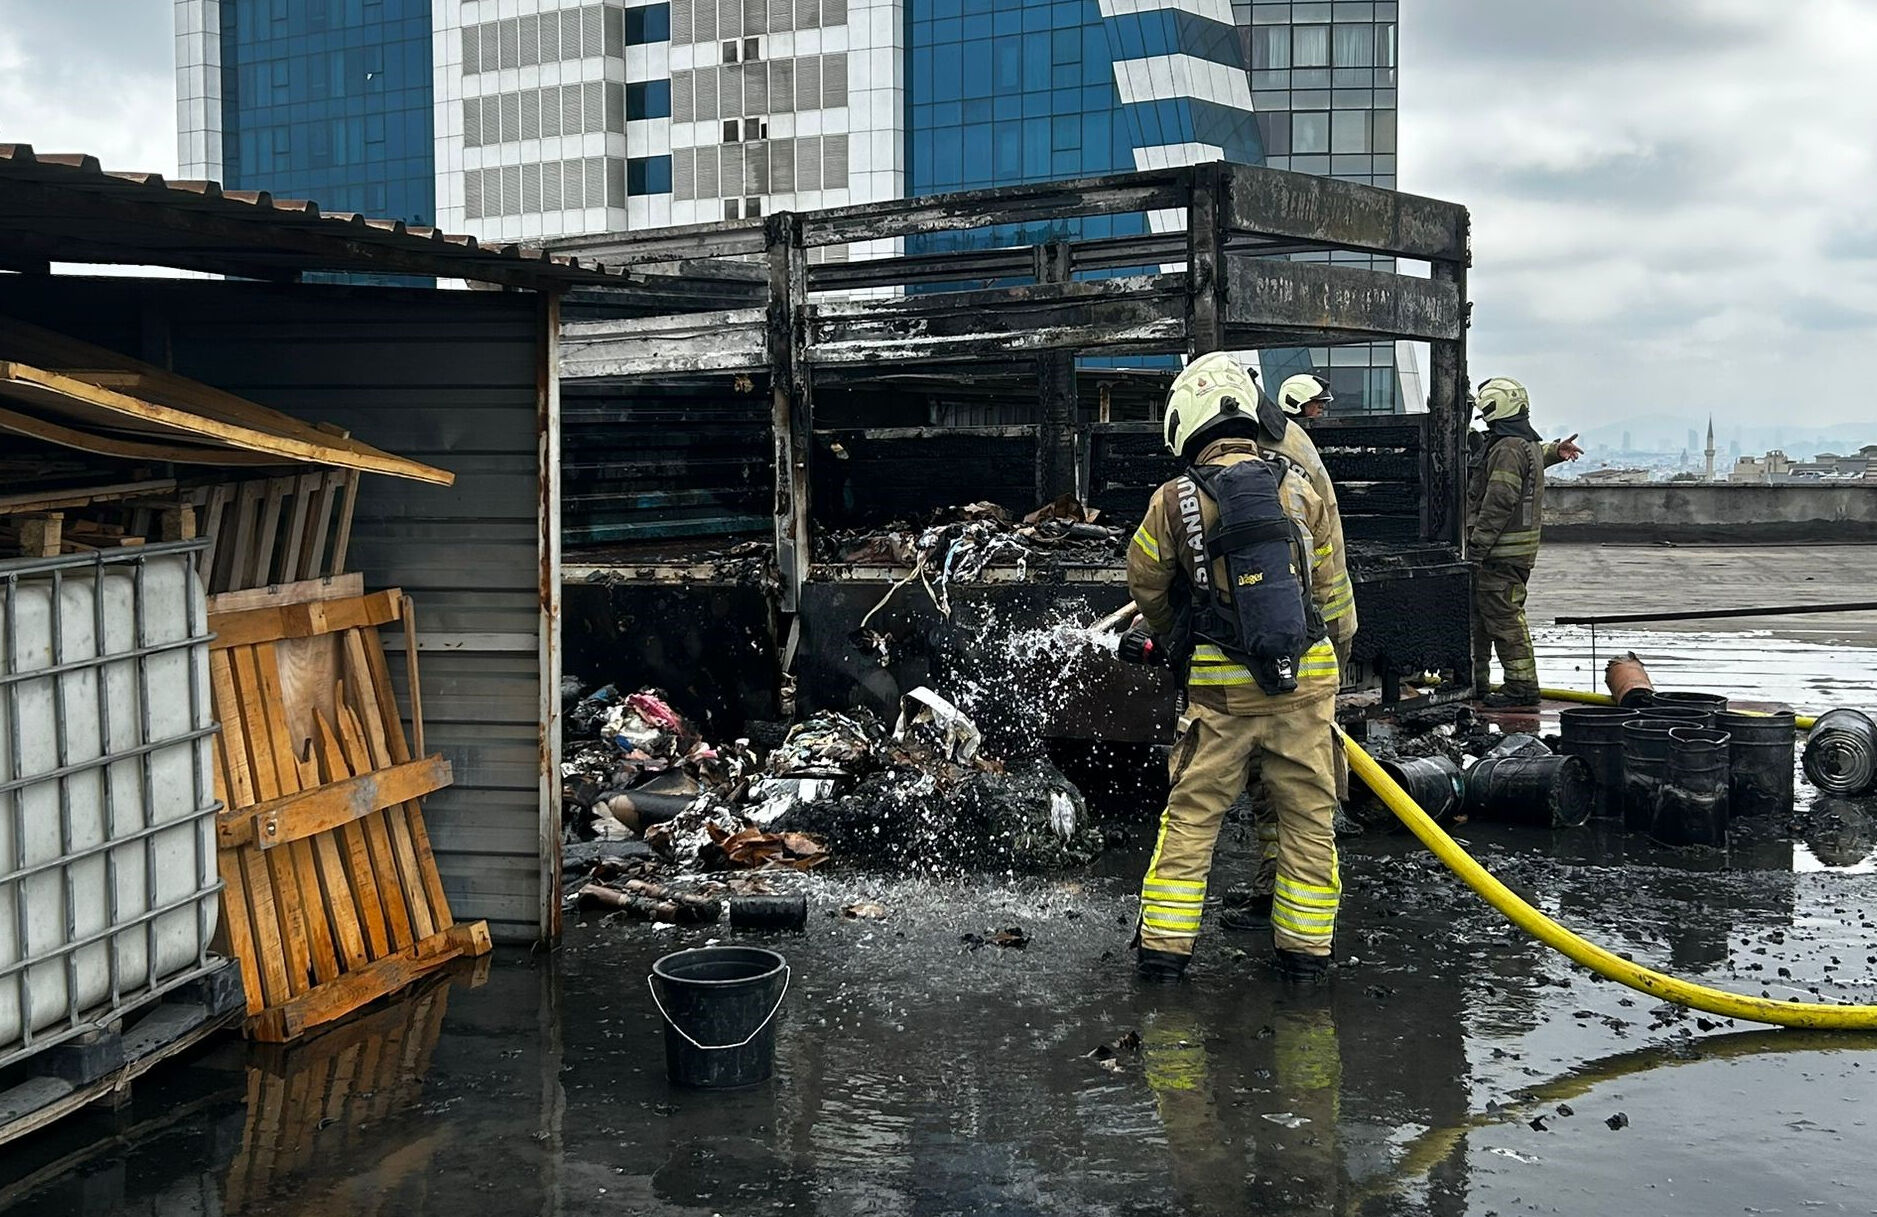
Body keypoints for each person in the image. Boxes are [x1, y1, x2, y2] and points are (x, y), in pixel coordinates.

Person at [1124, 352, 1344, 984]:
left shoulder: (1173, 500)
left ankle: (1166, 953)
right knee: (1308, 820)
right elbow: (1331, 590)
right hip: (1306, 685)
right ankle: (1304, 958)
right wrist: (1335, 660)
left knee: (1193, 818)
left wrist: (1178, 641)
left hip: (1222, 697)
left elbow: (1145, 584)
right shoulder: (1299, 485)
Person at [1224, 371, 1357, 932]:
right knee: (1305, 774)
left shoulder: (1264, 461)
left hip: (1296, 635)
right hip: (1326, 627)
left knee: (1276, 778)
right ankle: (1299, 925)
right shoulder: (1287, 444)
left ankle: (1274, 899)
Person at [1466, 377, 1581, 708]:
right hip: (1508, 554)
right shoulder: (1521, 443)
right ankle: (1479, 684)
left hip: (1498, 554)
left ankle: (1521, 686)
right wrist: (1555, 451)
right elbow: (1529, 459)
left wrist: (1477, 547)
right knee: (1482, 620)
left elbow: (1499, 501)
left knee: (1503, 621)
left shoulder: (1508, 448)